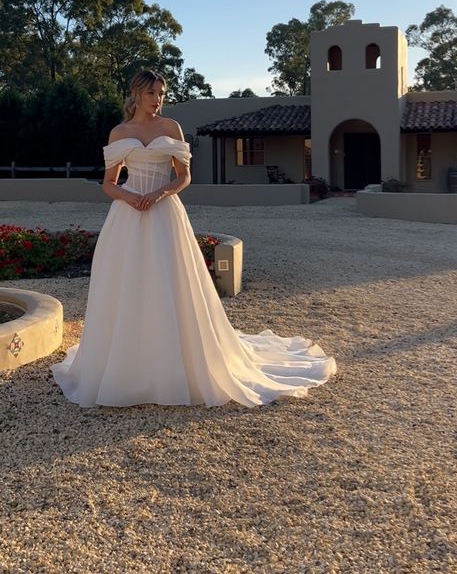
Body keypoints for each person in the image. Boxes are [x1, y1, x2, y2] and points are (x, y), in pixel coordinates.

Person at [52, 70, 336, 407]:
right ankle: (127, 364)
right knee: (128, 282)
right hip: (127, 216)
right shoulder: (119, 133)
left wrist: (159, 194)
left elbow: (184, 177)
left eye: (161, 93)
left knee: (170, 282)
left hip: (164, 212)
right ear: (137, 94)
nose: (158, 99)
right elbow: (108, 183)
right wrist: (130, 198)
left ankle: (176, 363)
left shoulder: (171, 128)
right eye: (152, 93)